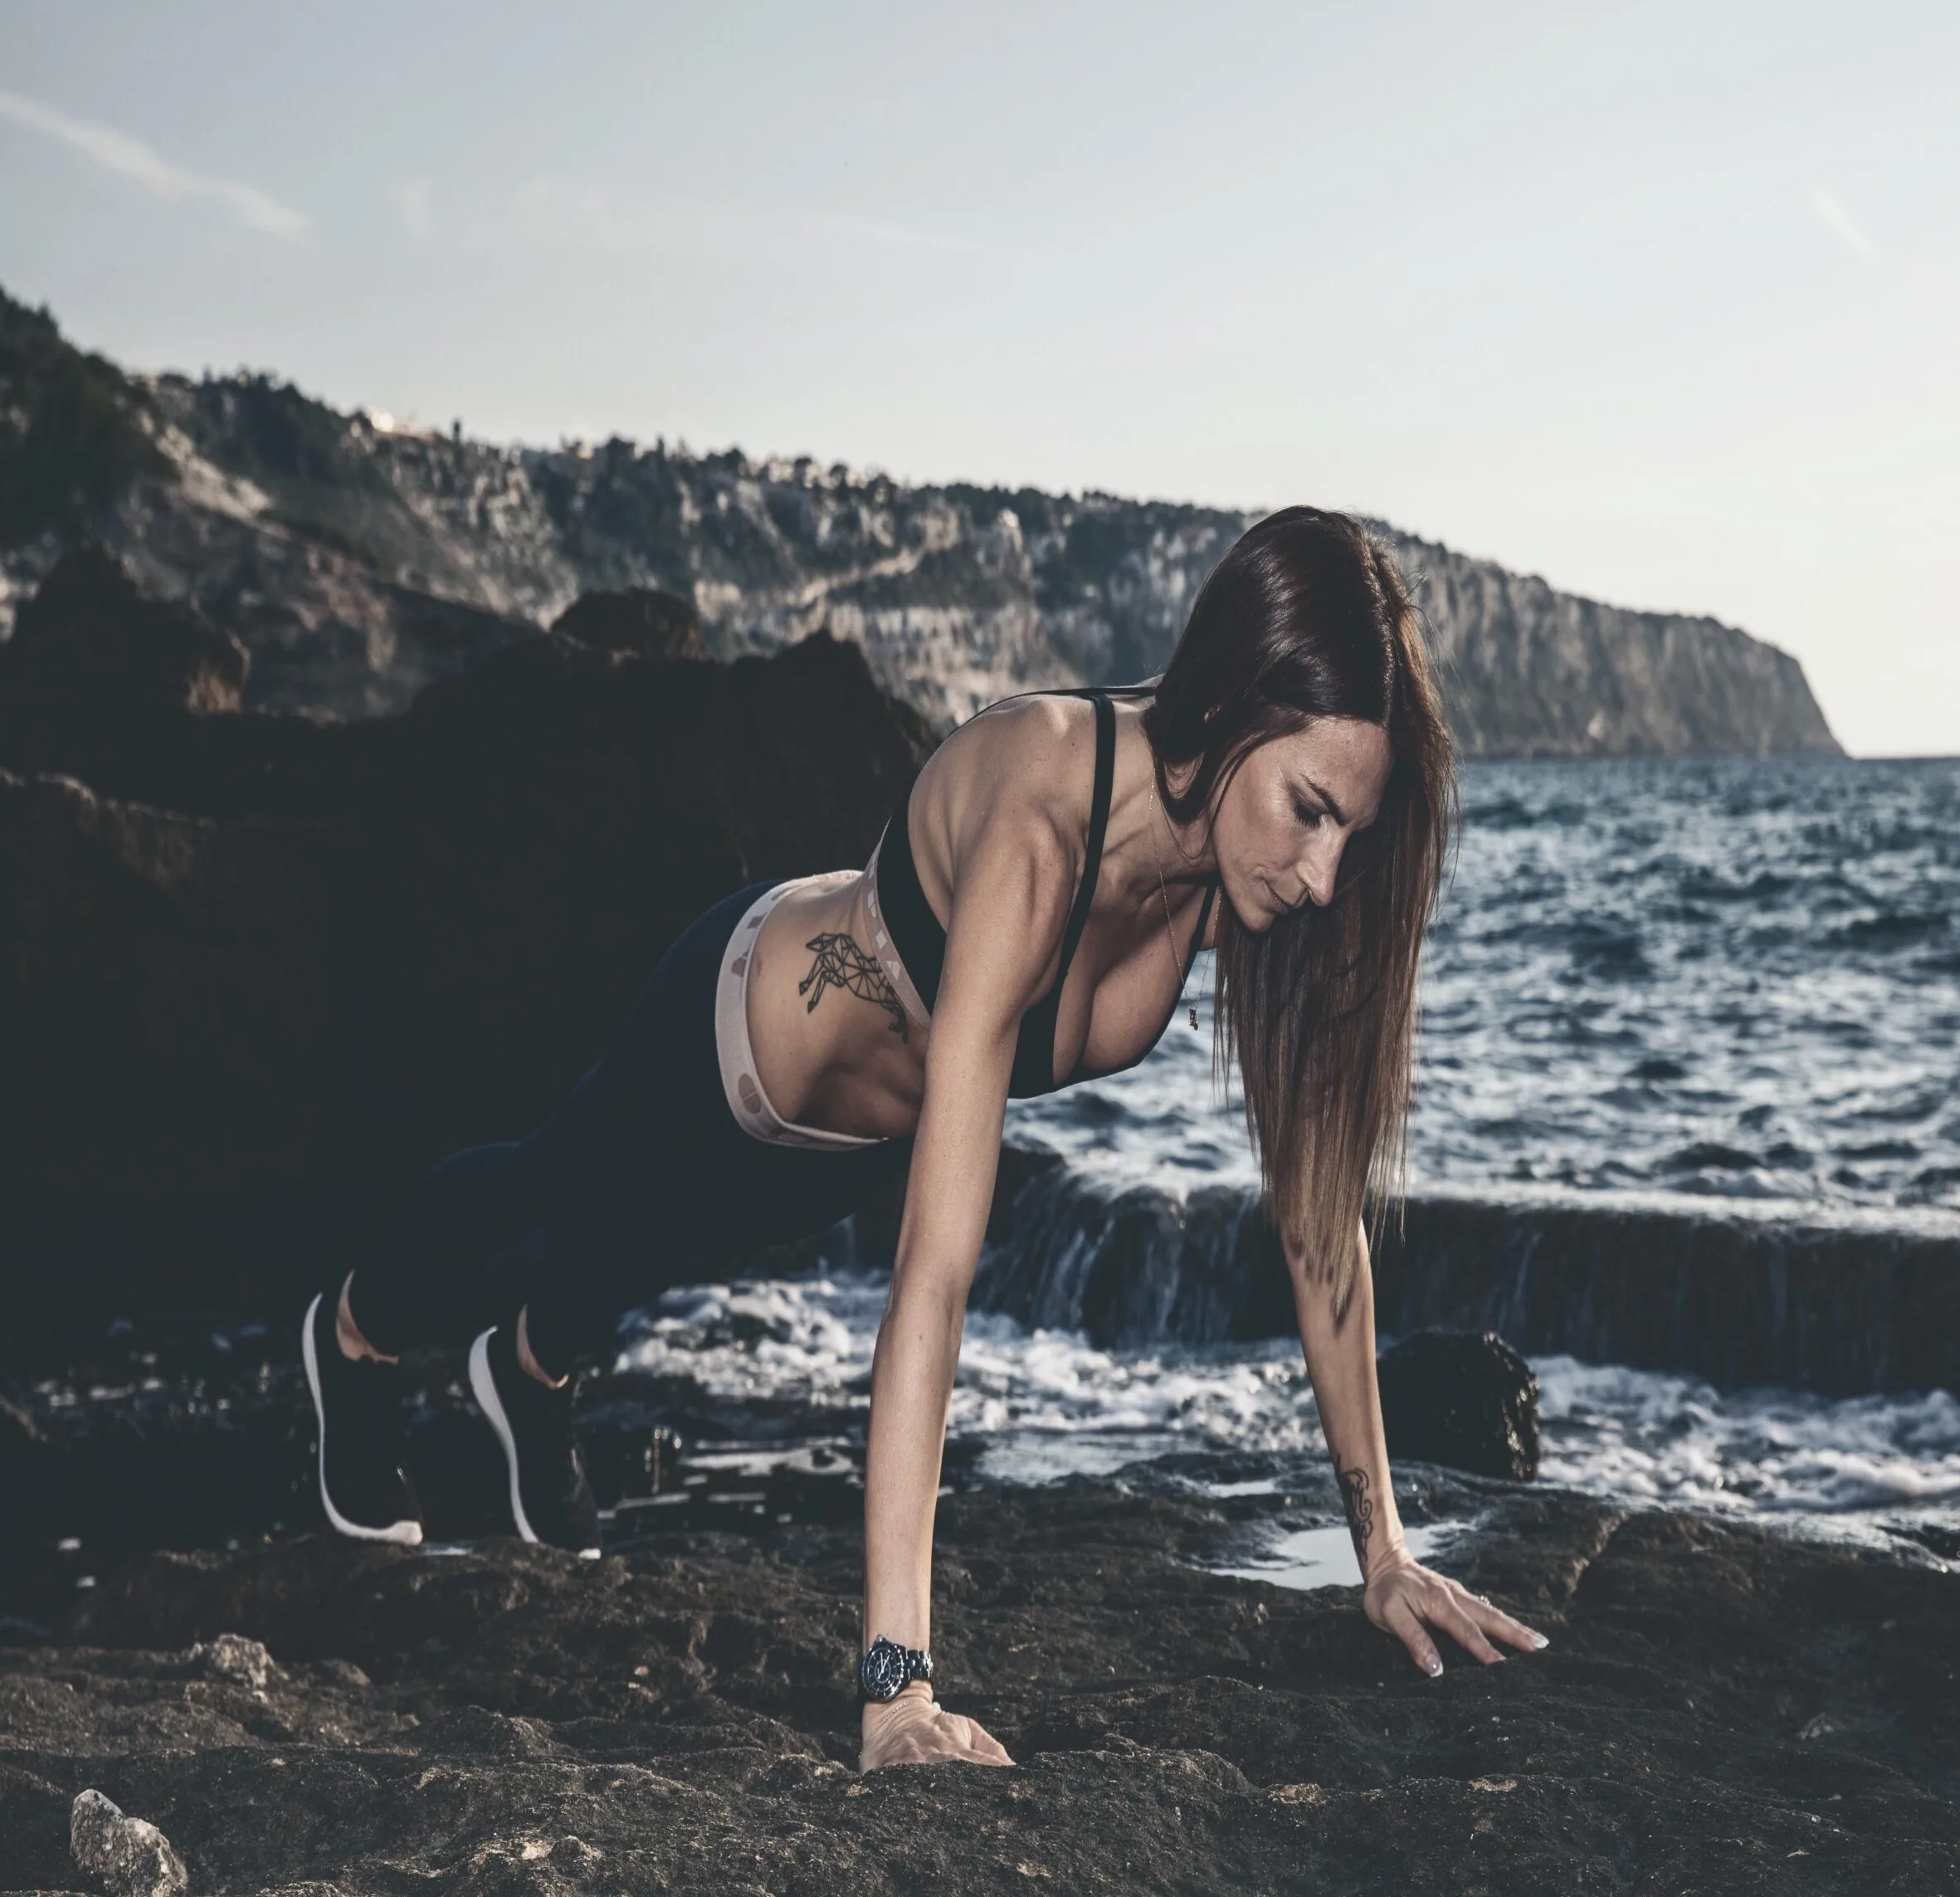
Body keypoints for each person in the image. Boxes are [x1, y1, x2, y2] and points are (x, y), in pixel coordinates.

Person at [299, 505, 1548, 1772]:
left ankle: (528, 1376)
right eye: (1312, 810)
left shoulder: (1243, 892)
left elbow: (1320, 1226)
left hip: (846, 1152)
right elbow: (937, 1278)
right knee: (548, 1200)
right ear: (1231, 707)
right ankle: (349, 1338)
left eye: (1354, 831)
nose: (1326, 875)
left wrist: (1383, 1551)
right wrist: (897, 1690)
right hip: (727, 1046)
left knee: (643, 1249)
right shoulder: (1039, 815)